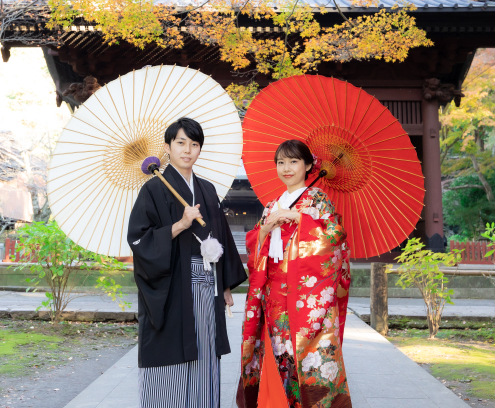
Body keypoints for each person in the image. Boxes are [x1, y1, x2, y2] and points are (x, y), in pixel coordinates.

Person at [128, 117, 248, 408]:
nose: (188, 150)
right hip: (173, 285)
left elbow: (220, 235)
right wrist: (180, 224)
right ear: (168, 147)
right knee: (172, 351)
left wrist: (226, 284)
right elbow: (139, 240)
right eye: (181, 142)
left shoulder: (206, 190)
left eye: (194, 144)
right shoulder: (154, 189)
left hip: (208, 284)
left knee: (205, 350)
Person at [236, 140, 352, 408]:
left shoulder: (319, 199)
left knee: (304, 355)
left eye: (293, 161)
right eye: (281, 162)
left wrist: (301, 219)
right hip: (274, 295)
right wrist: (267, 226)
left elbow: (335, 237)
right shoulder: (271, 204)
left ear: (309, 166)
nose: (286, 168)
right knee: (277, 353)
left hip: (306, 296)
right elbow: (255, 243)